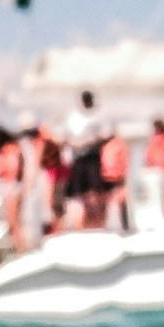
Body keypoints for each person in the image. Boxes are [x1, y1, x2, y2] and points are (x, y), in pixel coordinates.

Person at [65, 90, 103, 228]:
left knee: (94, 193)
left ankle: (96, 224)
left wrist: (89, 141)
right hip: (79, 159)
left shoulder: (97, 116)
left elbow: (101, 136)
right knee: (80, 194)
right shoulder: (74, 118)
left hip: (92, 158)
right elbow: (69, 138)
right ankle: (84, 224)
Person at [0, 126, 27, 252]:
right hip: (13, 187)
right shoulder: (15, 149)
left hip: (9, 188)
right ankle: (20, 250)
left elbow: (3, 171)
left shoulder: (6, 151)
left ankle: (20, 250)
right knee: (15, 223)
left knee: (14, 224)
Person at [97, 123, 130, 231]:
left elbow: (112, 164)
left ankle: (119, 227)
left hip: (114, 179)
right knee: (118, 205)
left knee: (117, 204)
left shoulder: (112, 146)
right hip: (115, 179)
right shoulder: (116, 145)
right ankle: (122, 226)